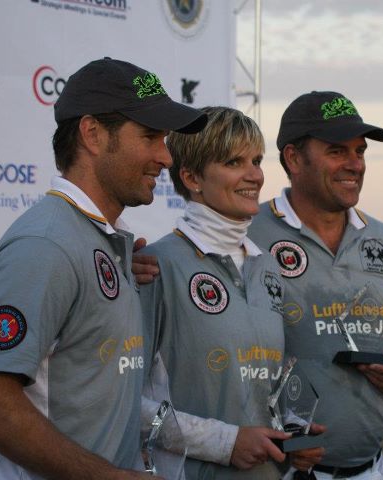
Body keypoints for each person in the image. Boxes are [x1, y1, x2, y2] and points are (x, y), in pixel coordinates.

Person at [0, 57, 206, 480]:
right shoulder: (46, 245)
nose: (165, 156)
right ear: (92, 134)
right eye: (150, 136)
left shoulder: (101, 242)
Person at [138, 106, 323, 479]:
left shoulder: (267, 266)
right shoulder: (154, 266)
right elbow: (127, 405)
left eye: (256, 160)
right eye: (234, 162)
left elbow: (273, 376)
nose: (254, 175)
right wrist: (224, 442)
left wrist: (292, 430)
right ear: (191, 177)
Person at [247, 91, 383, 479]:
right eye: (337, 151)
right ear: (294, 158)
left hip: (372, 468)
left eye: (360, 151)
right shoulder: (247, 234)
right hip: (281, 470)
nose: (355, 164)